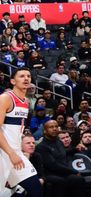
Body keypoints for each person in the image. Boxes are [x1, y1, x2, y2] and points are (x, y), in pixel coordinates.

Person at [0, 67, 43, 196]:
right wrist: (11, 152)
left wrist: (19, 151)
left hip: (14, 152)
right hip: (4, 152)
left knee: (35, 188)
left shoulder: (26, 102)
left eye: (28, 76)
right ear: (13, 81)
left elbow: (16, 131)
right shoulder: (5, 98)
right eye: (22, 76)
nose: (26, 78)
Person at [35, 120, 87, 197]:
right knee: (67, 180)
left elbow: (62, 153)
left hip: (62, 173)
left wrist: (76, 149)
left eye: (56, 126)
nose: (55, 129)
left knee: (78, 180)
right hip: (50, 174)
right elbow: (52, 165)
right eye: (51, 127)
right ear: (45, 131)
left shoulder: (58, 142)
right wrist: (73, 171)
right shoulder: (41, 147)